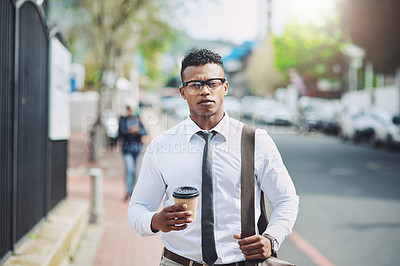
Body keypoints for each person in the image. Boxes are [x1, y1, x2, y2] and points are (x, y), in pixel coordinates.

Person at [128, 49, 299, 265]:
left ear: (225, 87)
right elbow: (138, 207)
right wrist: (155, 221)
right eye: (195, 85)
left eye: (213, 83)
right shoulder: (162, 146)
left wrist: (271, 238)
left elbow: (286, 200)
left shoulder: (256, 142)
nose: (205, 91)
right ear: (183, 92)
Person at [118, 104, 147, 201]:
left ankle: (133, 191)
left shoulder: (137, 119)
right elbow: (120, 133)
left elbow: (144, 132)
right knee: (129, 170)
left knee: (135, 171)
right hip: (127, 149)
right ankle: (127, 191)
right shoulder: (122, 120)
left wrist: (137, 131)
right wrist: (129, 131)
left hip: (136, 148)